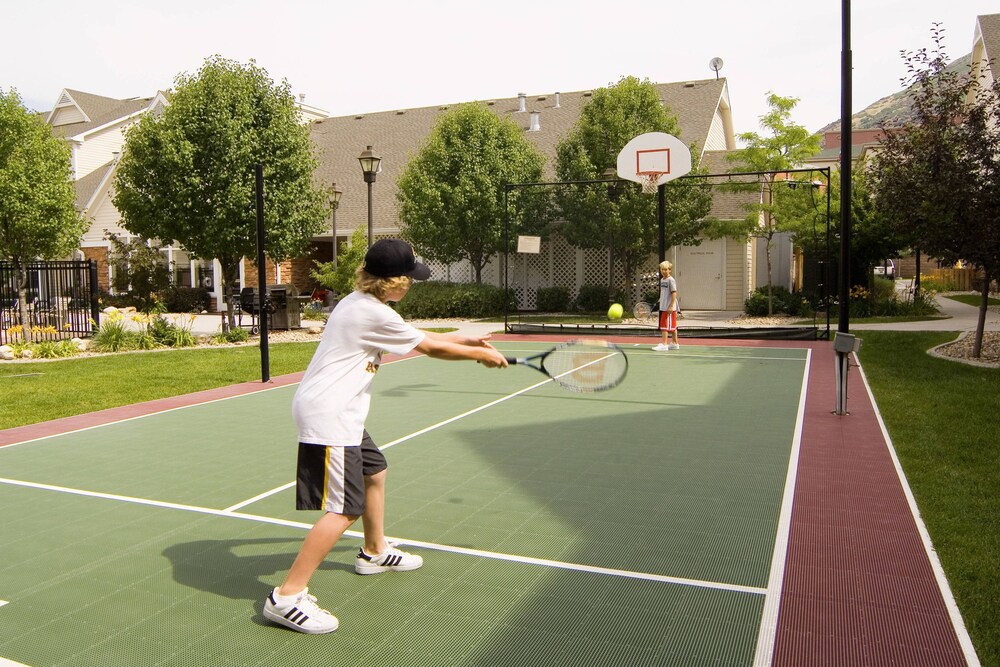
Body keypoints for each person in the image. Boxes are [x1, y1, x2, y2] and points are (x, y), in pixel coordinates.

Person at [263, 239, 508, 634]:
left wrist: (463, 339)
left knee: (374, 472)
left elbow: (413, 333)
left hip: (342, 412)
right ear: (392, 282)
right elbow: (428, 348)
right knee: (344, 508)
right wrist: (480, 355)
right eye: (408, 278)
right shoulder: (370, 313)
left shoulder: (361, 303)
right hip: (330, 416)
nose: (412, 284)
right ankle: (287, 596)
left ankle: (374, 552)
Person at [652, 260, 680, 351]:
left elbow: (674, 293)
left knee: (664, 326)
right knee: (672, 326)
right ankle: (675, 344)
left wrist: (671, 306)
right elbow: (664, 293)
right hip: (663, 306)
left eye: (666, 269)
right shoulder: (662, 280)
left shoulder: (671, 280)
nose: (663, 271)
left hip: (669, 308)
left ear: (670, 270)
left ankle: (664, 344)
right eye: (662, 269)